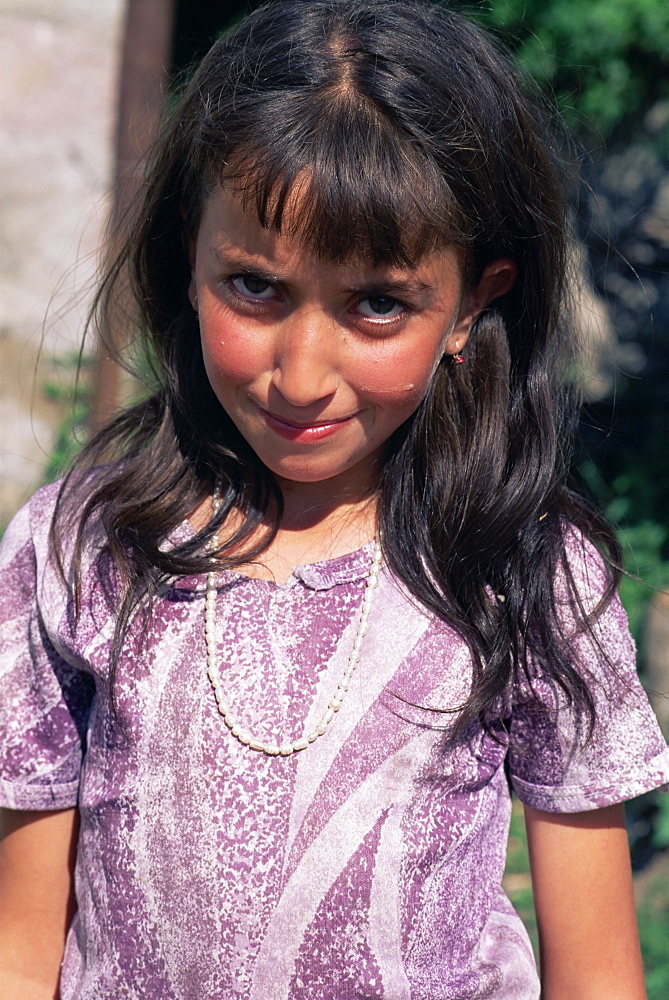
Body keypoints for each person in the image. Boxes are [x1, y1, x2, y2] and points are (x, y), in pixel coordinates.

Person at [1, 1, 667, 997]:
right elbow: (20, 946)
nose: (302, 373)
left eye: (377, 304)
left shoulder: (526, 575)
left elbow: (599, 977)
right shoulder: (84, 548)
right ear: (191, 254)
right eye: (256, 287)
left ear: (472, 303)